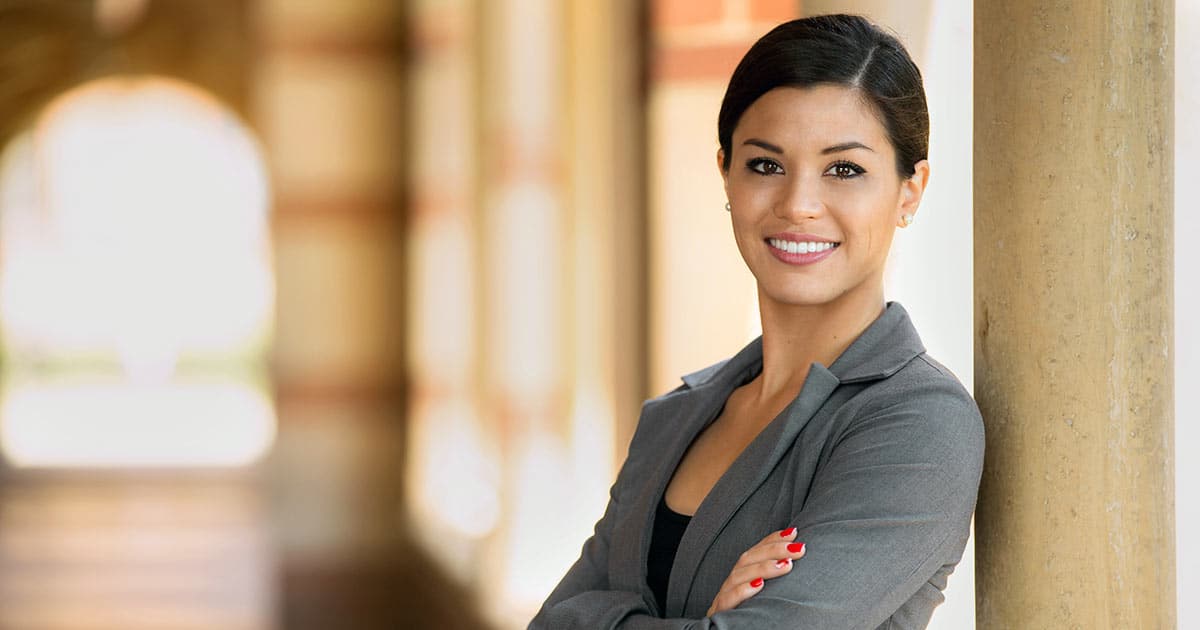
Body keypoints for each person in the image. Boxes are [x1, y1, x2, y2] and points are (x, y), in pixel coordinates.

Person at [529, 14, 984, 630]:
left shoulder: (919, 423)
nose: (798, 204)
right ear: (726, 173)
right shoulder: (675, 417)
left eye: (844, 169)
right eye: (766, 165)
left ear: (910, 190)